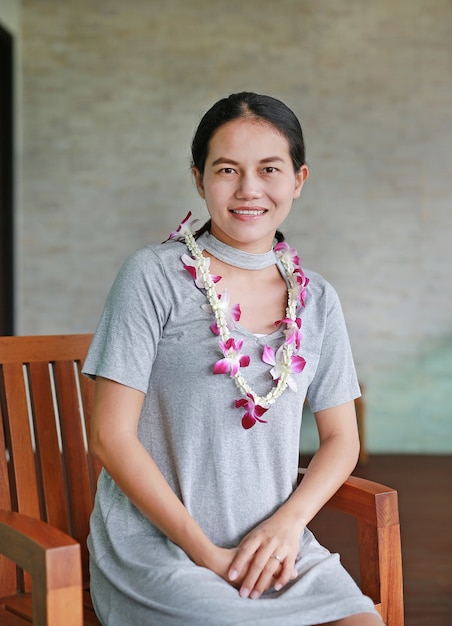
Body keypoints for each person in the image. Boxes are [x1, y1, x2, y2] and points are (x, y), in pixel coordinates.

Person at [83, 92, 383, 625]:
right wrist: (207, 555)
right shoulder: (151, 277)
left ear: (299, 179)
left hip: (276, 549)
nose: (249, 190)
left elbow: (342, 440)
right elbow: (110, 436)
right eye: (227, 169)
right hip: (164, 552)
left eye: (270, 169)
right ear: (199, 179)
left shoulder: (317, 300)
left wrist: (289, 525)